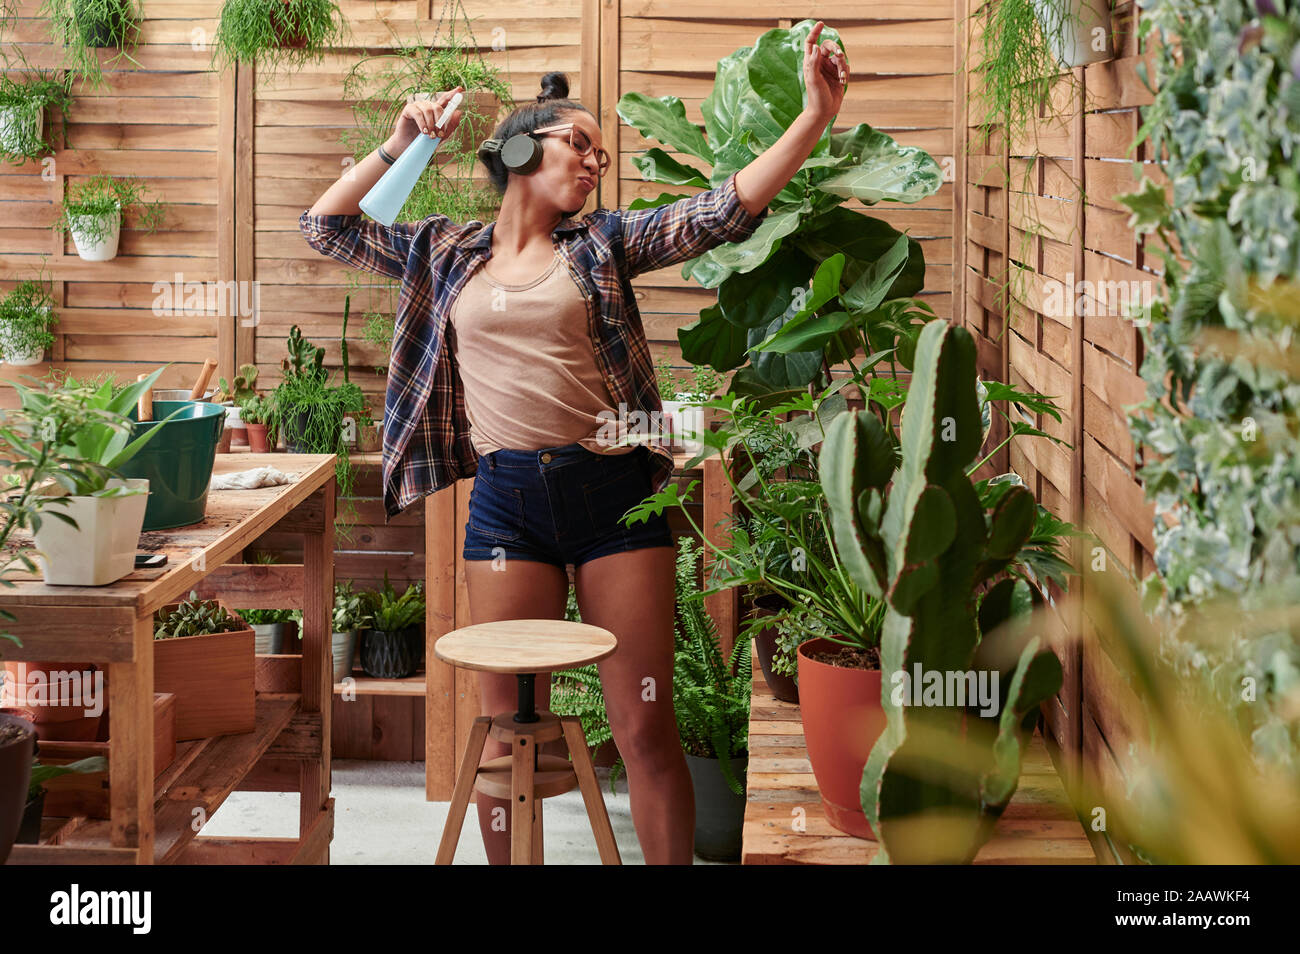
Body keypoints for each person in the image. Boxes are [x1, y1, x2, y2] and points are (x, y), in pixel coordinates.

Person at [300, 21, 848, 864]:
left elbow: (721, 212)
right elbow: (326, 227)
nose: (595, 163)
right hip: (505, 506)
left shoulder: (604, 244)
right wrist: (398, 142)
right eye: (579, 144)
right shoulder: (444, 250)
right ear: (521, 149)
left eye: (599, 154)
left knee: (641, 722)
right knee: (504, 732)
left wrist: (813, 117)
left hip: (615, 498)